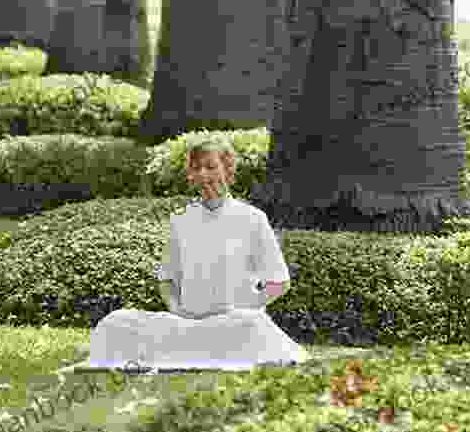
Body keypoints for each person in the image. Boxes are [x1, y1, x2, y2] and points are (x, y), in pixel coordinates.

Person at [87, 136, 311, 370]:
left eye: (211, 167)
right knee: (116, 323)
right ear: (190, 175)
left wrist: (245, 308)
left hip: (235, 327)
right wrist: (177, 310)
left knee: (251, 325)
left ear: (228, 170)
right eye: (197, 168)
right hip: (188, 327)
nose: (203, 175)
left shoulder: (253, 219)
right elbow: (166, 280)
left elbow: (279, 283)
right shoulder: (181, 220)